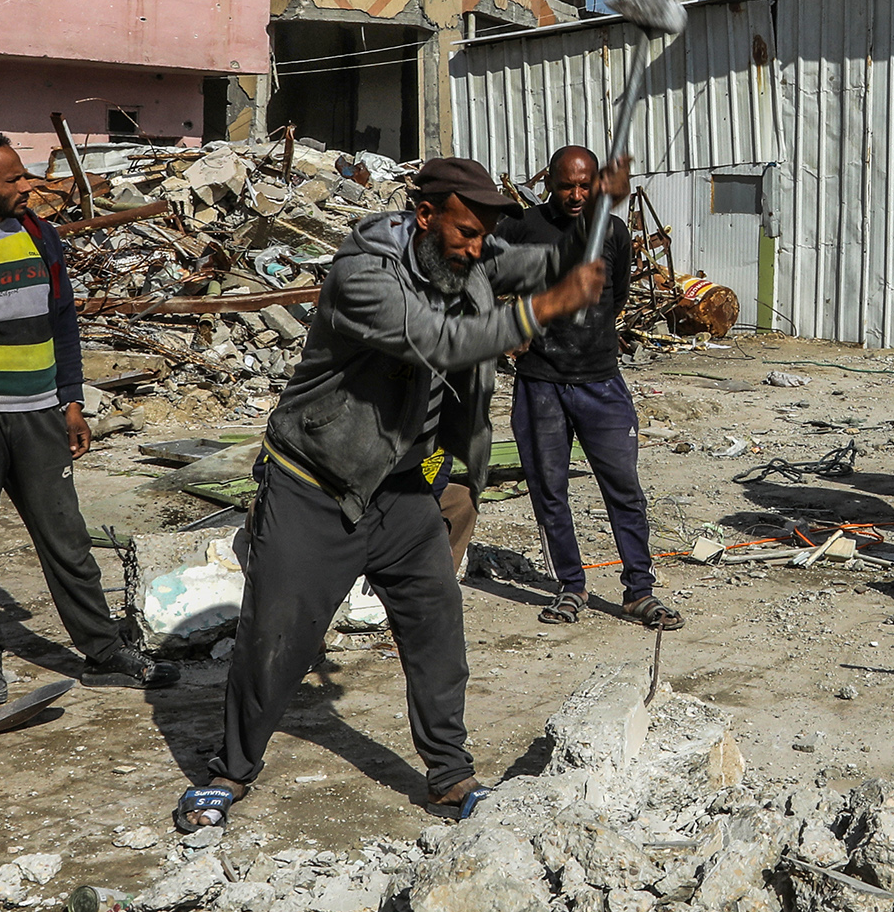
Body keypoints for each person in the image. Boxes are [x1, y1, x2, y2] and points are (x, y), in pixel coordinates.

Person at [174, 157, 609, 832]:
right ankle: (229, 770)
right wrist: (546, 308)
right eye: (466, 232)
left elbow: (529, 263)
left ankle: (448, 774)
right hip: (316, 484)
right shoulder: (363, 276)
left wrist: (588, 228)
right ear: (426, 215)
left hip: (403, 489)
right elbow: (441, 340)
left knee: (437, 630)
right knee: (276, 641)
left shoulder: (462, 255)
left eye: (483, 236)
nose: (475, 248)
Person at [0, 131, 177, 708]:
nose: (28, 187)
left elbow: (63, 323)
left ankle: (103, 652)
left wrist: (71, 401)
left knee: (67, 537)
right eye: (14, 180)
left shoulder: (38, 234)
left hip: (38, 417)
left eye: (25, 176)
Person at [497, 146, 683, 631]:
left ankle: (638, 592)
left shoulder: (613, 231)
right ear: (548, 185)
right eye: (566, 186)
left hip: (601, 383)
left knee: (624, 489)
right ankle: (570, 586)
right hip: (540, 386)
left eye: (585, 185)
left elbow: (616, 294)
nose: (576, 195)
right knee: (549, 491)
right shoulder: (522, 229)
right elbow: (483, 278)